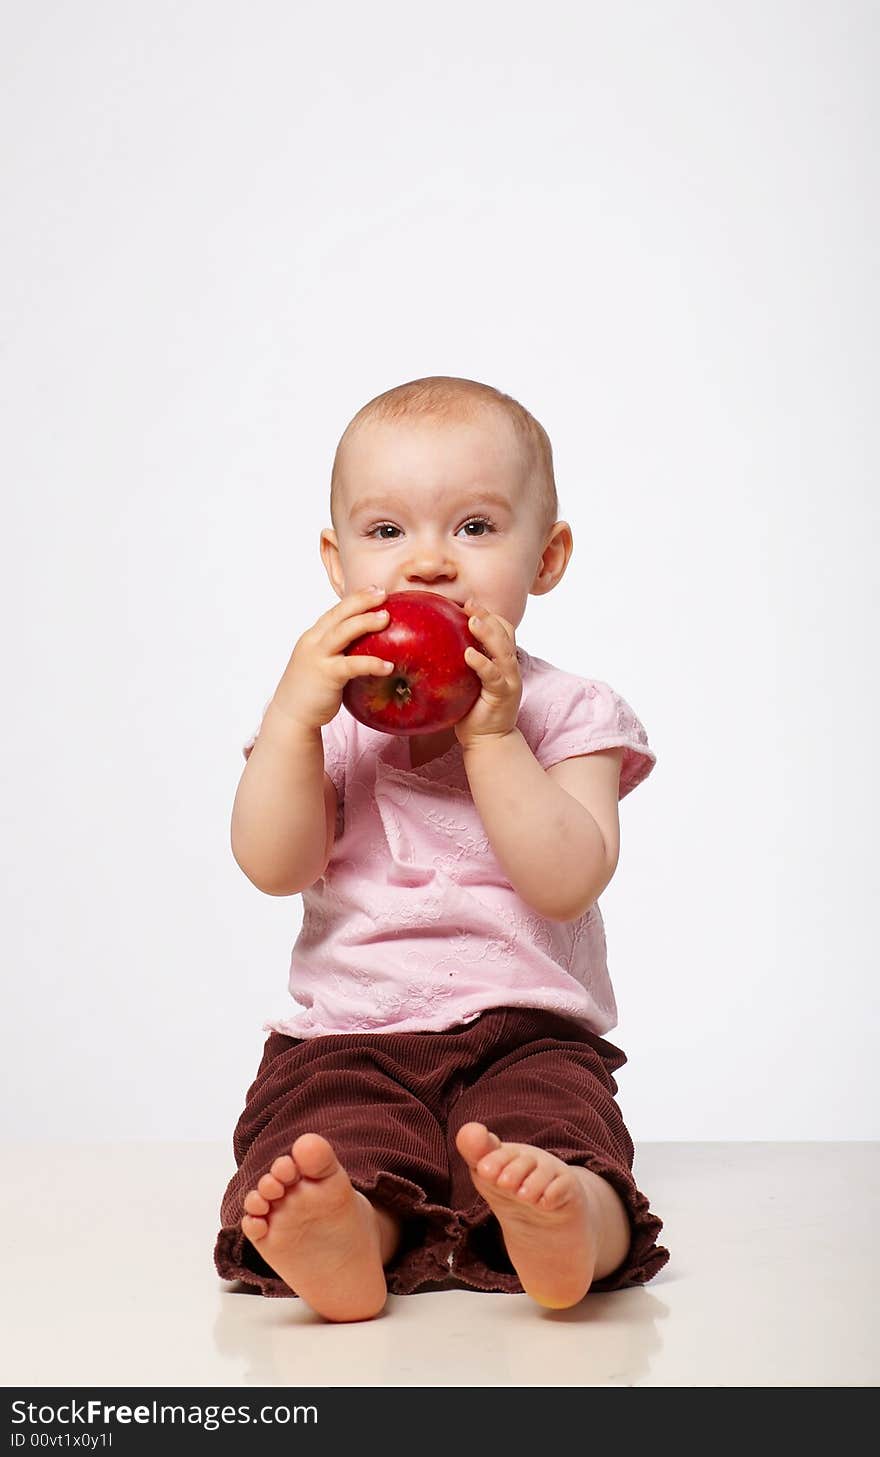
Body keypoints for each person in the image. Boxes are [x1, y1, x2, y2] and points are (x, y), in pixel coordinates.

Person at [214, 375, 669, 1323]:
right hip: (348, 1034)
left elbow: (566, 877)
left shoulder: (566, 712)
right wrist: (294, 717)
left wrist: (492, 736)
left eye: (472, 527)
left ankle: (572, 1217)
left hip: (526, 1029)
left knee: (557, 1133)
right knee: (322, 1136)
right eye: (387, 533)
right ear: (337, 563)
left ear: (547, 558)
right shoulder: (328, 720)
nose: (428, 564)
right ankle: (351, 1230)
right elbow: (273, 863)